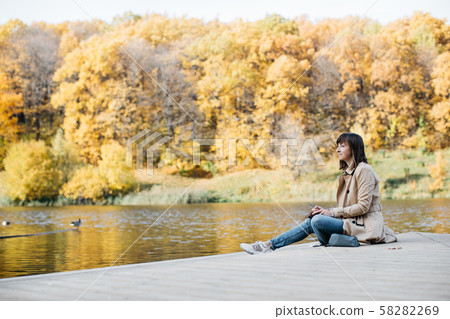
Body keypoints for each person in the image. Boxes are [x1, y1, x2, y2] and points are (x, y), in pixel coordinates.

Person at [240, 132, 397, 254]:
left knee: (316, 221)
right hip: (352, 224)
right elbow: (346, 210)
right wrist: (325, 212)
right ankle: (268, 245)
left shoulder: (364, 170)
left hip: (365, 227)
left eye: (342, 146)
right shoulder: (348, 173)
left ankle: (267, 246)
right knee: (315, 219)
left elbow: (363, 207)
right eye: (338, 146)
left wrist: (330, 213)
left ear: (354, 148)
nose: (337, 149)